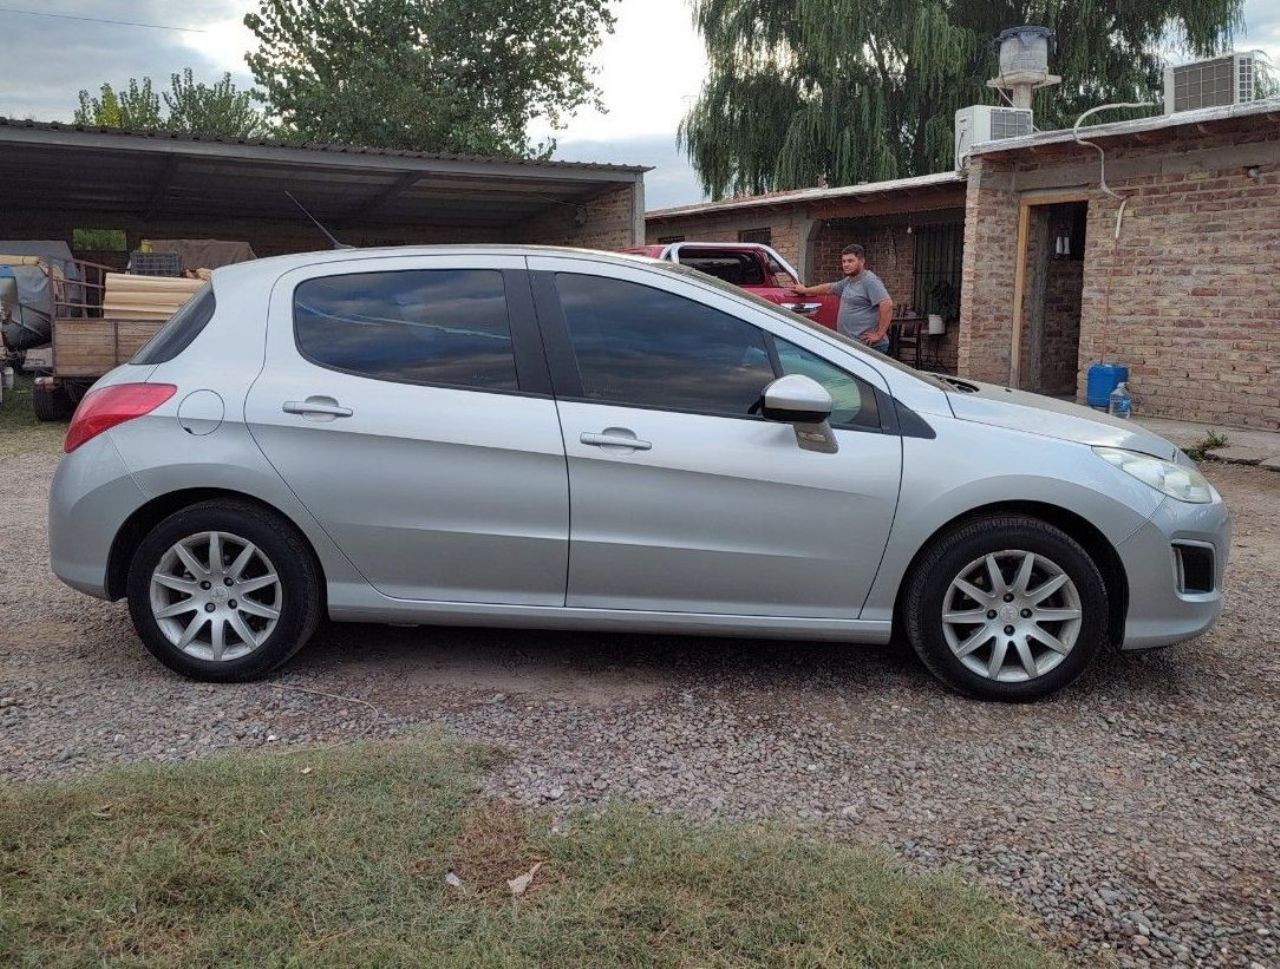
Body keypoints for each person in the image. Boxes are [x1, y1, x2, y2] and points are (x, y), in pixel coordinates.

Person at [791, 244, 892, 352]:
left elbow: (887, 304)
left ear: (862, 261)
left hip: (869, 347)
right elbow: (829, 288)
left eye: (850, 261)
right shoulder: (849, 281)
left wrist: (879, 334)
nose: (846, 265)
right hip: (853, 345)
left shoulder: (870, 280)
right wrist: (805, 290)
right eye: (844, 261)